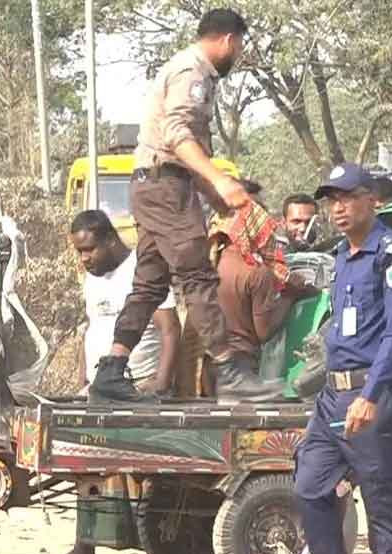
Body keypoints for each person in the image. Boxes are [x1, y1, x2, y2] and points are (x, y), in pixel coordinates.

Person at [93, 8, 281, 403]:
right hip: (166, 187)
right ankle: (230, 371)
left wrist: (213, 195)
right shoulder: (192, 71)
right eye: (240, 47)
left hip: (155, 185)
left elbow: (184, 147)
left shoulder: (190, 71)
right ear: (228, 39)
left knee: (150, 283)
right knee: (197, 274)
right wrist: (219, 179)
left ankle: (111, 369)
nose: (238, 55)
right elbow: (177, 134)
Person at [294, 163, 392, 554]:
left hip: (372, 395)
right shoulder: (342, 258)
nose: (338, 208)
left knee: (383, 506)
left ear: (373, 200)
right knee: (309, 487)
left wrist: (371, 395)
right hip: (333, 395)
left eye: (347, 197)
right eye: (332, 200)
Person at [37, 210, 180, 554]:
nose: (84, 258)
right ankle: (84, 549)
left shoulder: (141, 271)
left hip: (136, 384)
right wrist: (85, 379)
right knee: (86, 463)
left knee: (141, 470)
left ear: (111, 240)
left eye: (89, 250)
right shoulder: (93, 277)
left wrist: (161, 383)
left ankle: (157, 545)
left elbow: (169, 329)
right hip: (100, 386)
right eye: (79, 252)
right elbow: (92, 328)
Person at [207, 181, 318, 375]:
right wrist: (290, 295)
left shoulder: (213, 261)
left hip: (211, 365)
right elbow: (264, 332)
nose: (265, 219)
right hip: (241, 367)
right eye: (258, 212)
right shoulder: (256, 272)